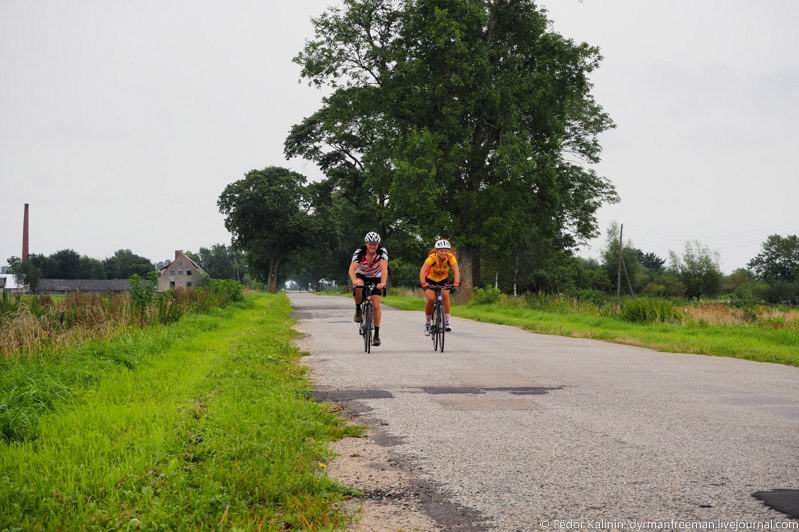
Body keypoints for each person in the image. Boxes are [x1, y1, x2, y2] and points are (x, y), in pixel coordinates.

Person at [349, 231, 389, 346]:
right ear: (366, 244)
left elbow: (384, 269)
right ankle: (358, 309)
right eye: (370, 244)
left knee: (376, 305)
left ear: (378, 244)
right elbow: (352, 269)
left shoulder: (382, 252)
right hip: (361, 275)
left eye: (375, 244)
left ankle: (376, 334)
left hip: (376, 277)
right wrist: (354, 281)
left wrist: (383, 283)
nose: (373, 246)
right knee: (359, 287)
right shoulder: (359, 252)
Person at [419, 239, 460, 335]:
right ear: (437, 251)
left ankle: (447, 322)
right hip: (430, 280)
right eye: (441, 250)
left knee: (445, 296)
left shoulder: (450, 258)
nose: (443, 253)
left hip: (443, 280)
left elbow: (456, 270)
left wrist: (456, 282)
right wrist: (423, 282)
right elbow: (422, 270)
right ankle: (428, 323)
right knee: (431, 299)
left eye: (445, 250)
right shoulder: (432, 258)